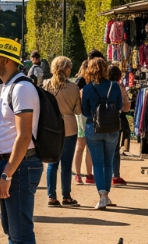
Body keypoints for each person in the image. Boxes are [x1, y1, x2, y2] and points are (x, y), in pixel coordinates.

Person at [0, 37, 42, 244]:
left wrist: (7, 173)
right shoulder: (9, 86)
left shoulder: (21, 89)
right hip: (14, 164)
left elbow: (24, 136)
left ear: (7, 60)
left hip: (20, 166)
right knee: (12, 231)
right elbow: (11, 134)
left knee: (20, 233)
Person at [81, 57, 122, 210]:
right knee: (108, 162)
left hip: (93, 127)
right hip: (112, 127)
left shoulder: (87, 89)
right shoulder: (114, 86)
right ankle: (106, 195)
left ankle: (102, 195)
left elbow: (85, 111)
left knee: (97, 164)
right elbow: (119, 106)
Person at [43, 56, 81, 207]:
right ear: (66, 69)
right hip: (69, 127)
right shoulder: (74, 88)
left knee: (52, 164)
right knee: (66, 165)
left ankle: (51, 197)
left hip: (51, 127)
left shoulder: (46, 85)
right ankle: (66, 196)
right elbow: (78, 111)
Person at [108, 65, 131, 186]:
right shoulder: (119, 87)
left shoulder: (100, 85)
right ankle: (115, 175)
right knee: (115, 149)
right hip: (116, 119)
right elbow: (126, 107)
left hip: (100, 120)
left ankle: (103, 174)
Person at [73, 60, 94, 185]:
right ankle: (87, 174)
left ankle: (79, 174)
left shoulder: (79, 81)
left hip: (80, 116)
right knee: (85, 148)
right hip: (84, 116)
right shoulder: (86, 81)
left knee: (80, 148)